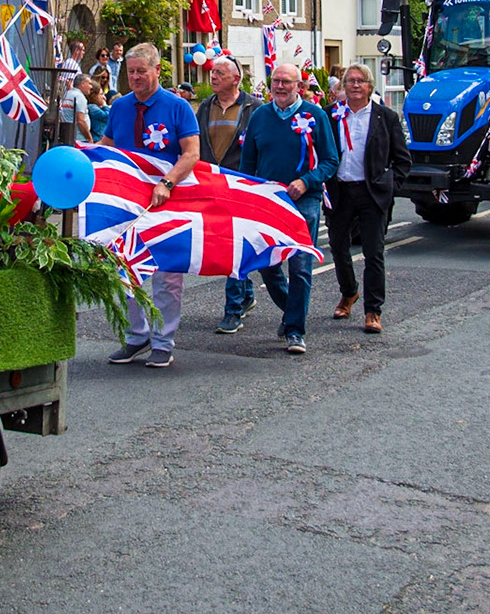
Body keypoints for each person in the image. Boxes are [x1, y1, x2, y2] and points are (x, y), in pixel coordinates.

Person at [102, 43, 202, 370]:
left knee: (167, 275)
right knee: (121, 270)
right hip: (126, 203)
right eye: (130, 72)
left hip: (167, 202)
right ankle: (136, 335)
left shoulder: (177, 107)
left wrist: (167, 182)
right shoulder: (119, 107)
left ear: (157, 70)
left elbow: (191, 153)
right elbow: (108, 146)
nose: (135, 77)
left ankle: (163, 340)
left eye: (141, 71)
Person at [240, 63, 338, 354]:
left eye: (286, 82)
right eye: (275, 82)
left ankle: (296, 330)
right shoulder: (259, 116)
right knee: (267, 265)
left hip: (304, 198)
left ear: (299, 86)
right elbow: (247, 164)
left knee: (300, 266)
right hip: (268, 200)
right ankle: (292, 311)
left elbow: (331, 161)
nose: (280, 87)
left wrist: (306, 181)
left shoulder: (315, 115)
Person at [325, 64, 412, 334]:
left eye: (360, 81)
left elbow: (402, 161)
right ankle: (349, 292)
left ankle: (373, 310)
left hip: (372, 193)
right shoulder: (331, 116)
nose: (354, 85)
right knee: (338, 248)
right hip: (340, 191)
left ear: (369, 86)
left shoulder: (385, 117)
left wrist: (388, 185)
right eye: (349, 81)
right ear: (342, 86)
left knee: (373, 252)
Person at [197, 57, 265, 335]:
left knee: (234, 244)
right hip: (213, 184)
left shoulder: (254, 109)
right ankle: (246, 293)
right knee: (223, 244)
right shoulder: (204, 107)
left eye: (220, 73)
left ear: (236, 79)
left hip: (243, 185)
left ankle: (233, 310)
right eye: (213, 72)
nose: (213, 77)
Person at [59, 73, 94, 143]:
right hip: (79, 138)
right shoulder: (80, 97)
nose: (91, 87)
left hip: (67, 135)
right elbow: (80, 121)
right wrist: (89, 137)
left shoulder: (67, 94)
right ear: (83, 84)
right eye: (89, 84)